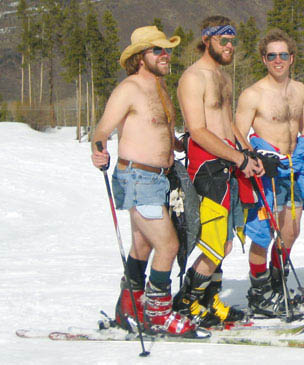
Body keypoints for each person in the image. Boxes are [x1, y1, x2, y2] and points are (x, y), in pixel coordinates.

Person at [91, 26, 196, 336]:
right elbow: (101, 130)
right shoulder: (130, 89)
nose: (166, 56)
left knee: (143, 245)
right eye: (158, 51)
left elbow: (160, 132)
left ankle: (130, 305)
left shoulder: (160, 87)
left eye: (168, 50)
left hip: (161, 178)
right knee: (167, 245)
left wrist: (181, 145)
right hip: (138, 177)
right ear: (139, 57)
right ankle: (158, 312)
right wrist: (99, 152)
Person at [236, 29, 304, 317]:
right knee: (262, 234)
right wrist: (252, 157)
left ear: (292, 58)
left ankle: (277, 283)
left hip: (294, 169)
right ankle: (259, 292)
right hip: (267, 171)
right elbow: (238, 133)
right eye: (272, 56)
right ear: (264, 59)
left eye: (283, 55)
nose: (278, 60)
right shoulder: (253, 94)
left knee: (290, 232)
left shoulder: (298, 89)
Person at [173, 16, 262, 327]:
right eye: (223, 39)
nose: (229, 45)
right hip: (208, 165)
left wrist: (247, 150)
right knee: (213, 240)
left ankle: (208, 300)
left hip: (229, 159)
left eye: (232, 40)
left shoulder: (222, 78)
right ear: (206, 39)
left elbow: (228, 123)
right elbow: (197, 130)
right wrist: (238, 159)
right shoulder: (193, 77)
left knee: (226, 238)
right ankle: (186, 302)